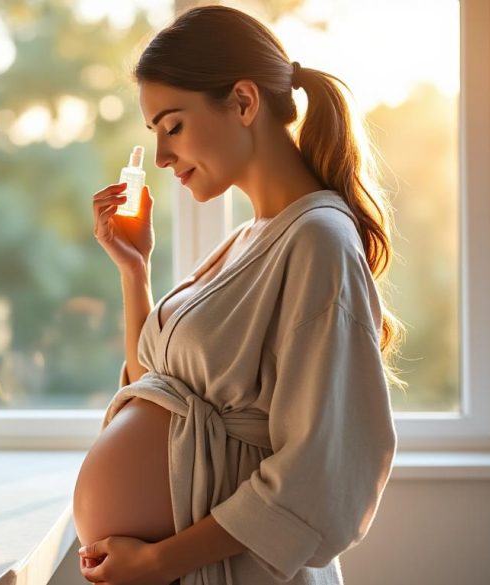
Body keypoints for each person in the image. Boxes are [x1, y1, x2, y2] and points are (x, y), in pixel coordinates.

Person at [73, 5, 402, 585]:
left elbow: (321, 468)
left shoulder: (318, 240)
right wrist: (134, 270)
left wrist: (157, 560)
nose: (164, 157)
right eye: (155, 135)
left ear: (245, 102)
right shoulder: (251, 238)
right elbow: (158, 389)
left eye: (172, 126)